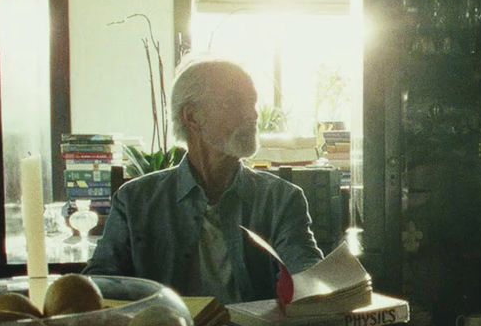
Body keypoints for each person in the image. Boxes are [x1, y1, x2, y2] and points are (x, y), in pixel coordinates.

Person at [86, 58, 323, 303]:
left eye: (252, 102)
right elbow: (102, 283)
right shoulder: (135, 201)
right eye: (234, 102)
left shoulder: (281, 198)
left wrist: (323, 286)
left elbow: (306, 273)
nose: (252, 114)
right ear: (192, 117)